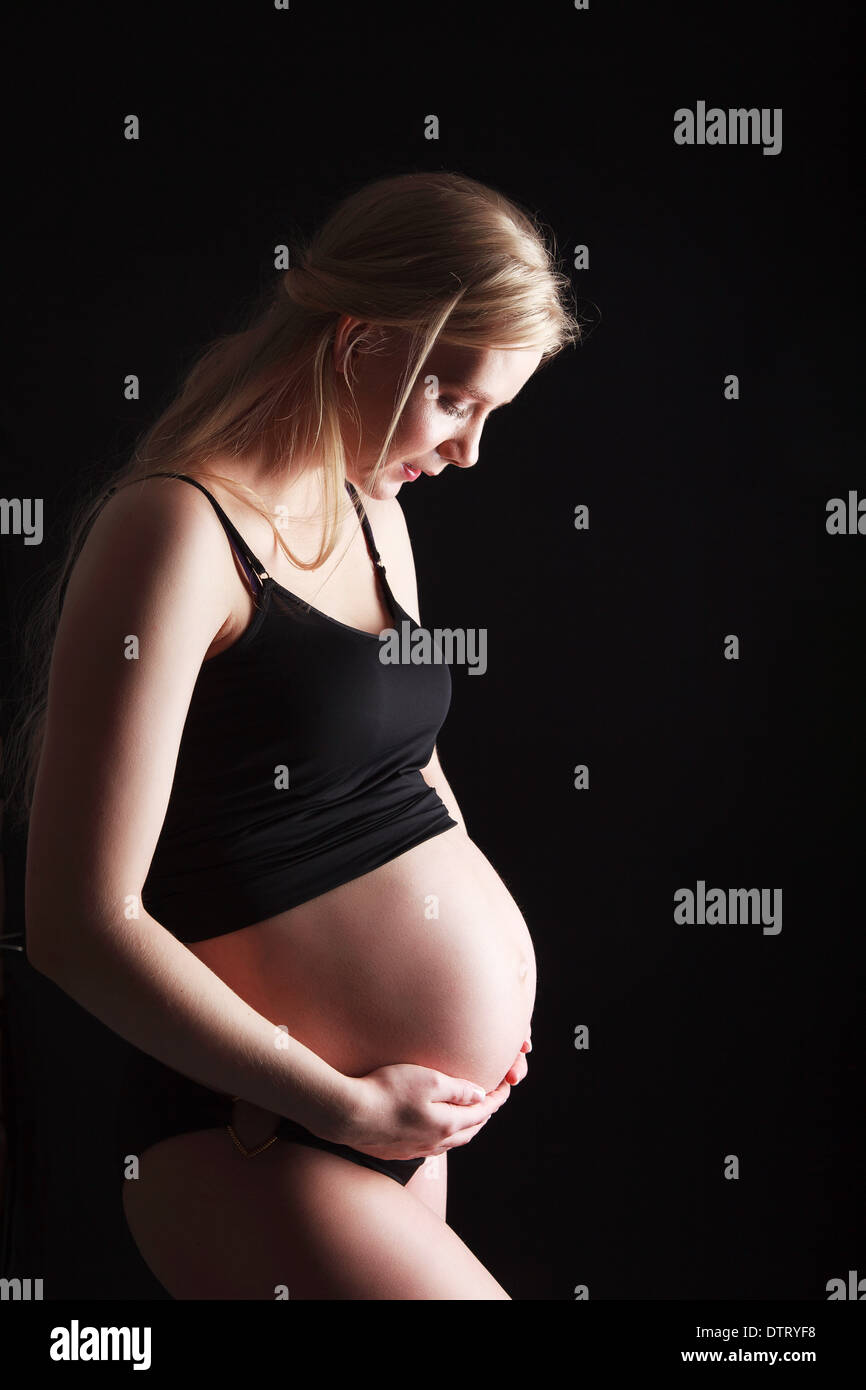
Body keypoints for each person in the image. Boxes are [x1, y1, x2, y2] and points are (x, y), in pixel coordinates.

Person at [13, 171, 582, 1299]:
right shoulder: (176, 530)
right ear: (363, 343)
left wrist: (487, 1007)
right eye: (454, 400)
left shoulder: (379, 513)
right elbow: (77, 922)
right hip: (256, 1134)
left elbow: (409, 768)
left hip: (395, 1123)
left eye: (492, 414)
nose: (469, 451)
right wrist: (341, 1103)